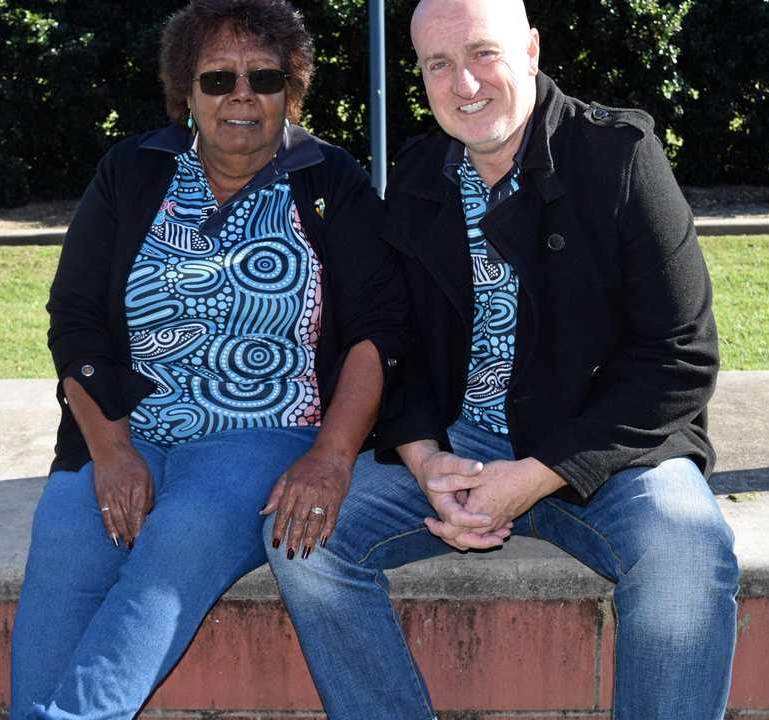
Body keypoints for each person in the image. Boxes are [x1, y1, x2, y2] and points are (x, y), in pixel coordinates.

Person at [265, 0, 740, 718]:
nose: (465, 84)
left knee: (687, 552)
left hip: (606, 455)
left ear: (530, 49)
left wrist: (536, 476)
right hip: (462, 452)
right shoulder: (421, 172)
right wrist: (425, 462)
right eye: (439, 64)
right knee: (302, 540)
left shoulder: (617, 154)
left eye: (483, 53)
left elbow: (678, 357)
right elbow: (398, 342)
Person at [9, 1, 405, 718]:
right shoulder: (132, 172)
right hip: (129, 424)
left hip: (264, 430)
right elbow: (74, 320)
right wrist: (113, 449)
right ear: (185, 95)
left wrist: (333, 456)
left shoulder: (330, 181)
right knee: (68, 540)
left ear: (295, 89)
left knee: (180, 538)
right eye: (218, 79)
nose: (243, 95)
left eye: (265, 77)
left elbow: (380, 329)